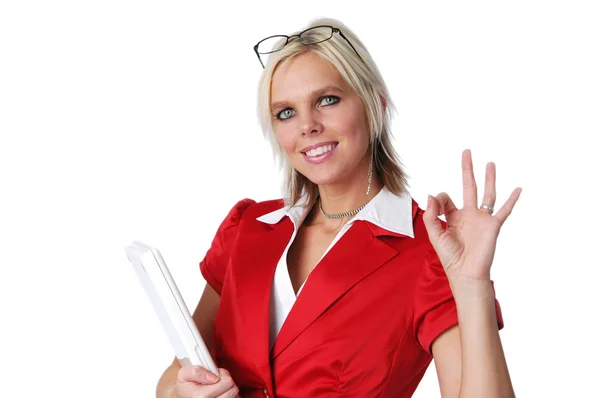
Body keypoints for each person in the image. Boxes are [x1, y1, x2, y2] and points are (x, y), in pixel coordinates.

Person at [156, 17, 522, 398]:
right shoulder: (246, 227)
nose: (307, 126)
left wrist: (472, 285)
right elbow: (176, 374)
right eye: (286, 112)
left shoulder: (430, 253)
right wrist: (179, 393)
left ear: (374, 106)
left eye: (326, 100)